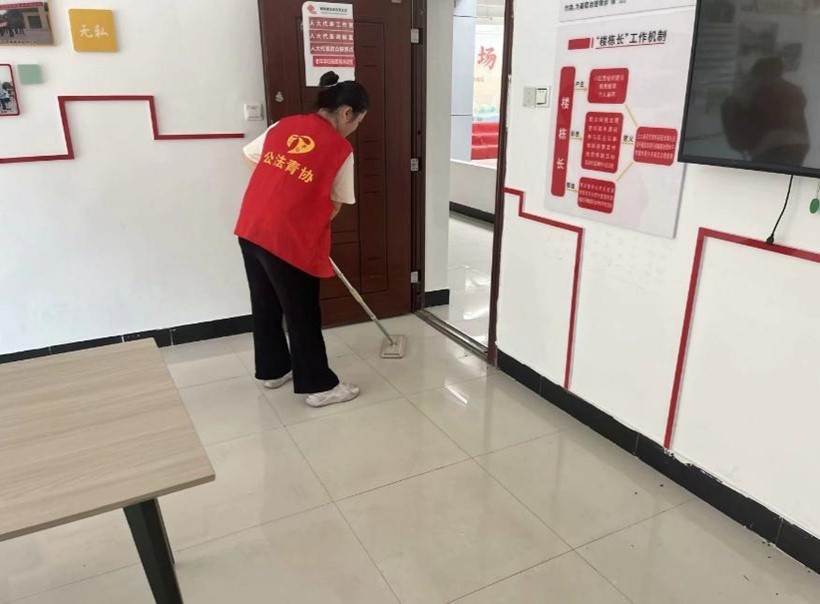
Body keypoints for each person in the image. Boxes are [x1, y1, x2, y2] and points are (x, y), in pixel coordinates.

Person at [234, 71, 367, 408]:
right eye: (357, 121)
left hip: (251, 227)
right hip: (287, 240)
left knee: (265, 304)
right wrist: (301, 214)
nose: (354, 128)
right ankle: (319, 385)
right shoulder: (340, 148)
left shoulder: (284, 125)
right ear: (347, 112)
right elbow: (336, 203)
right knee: (301, 311)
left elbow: (249, 156)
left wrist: (281, 190)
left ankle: (274, 370)